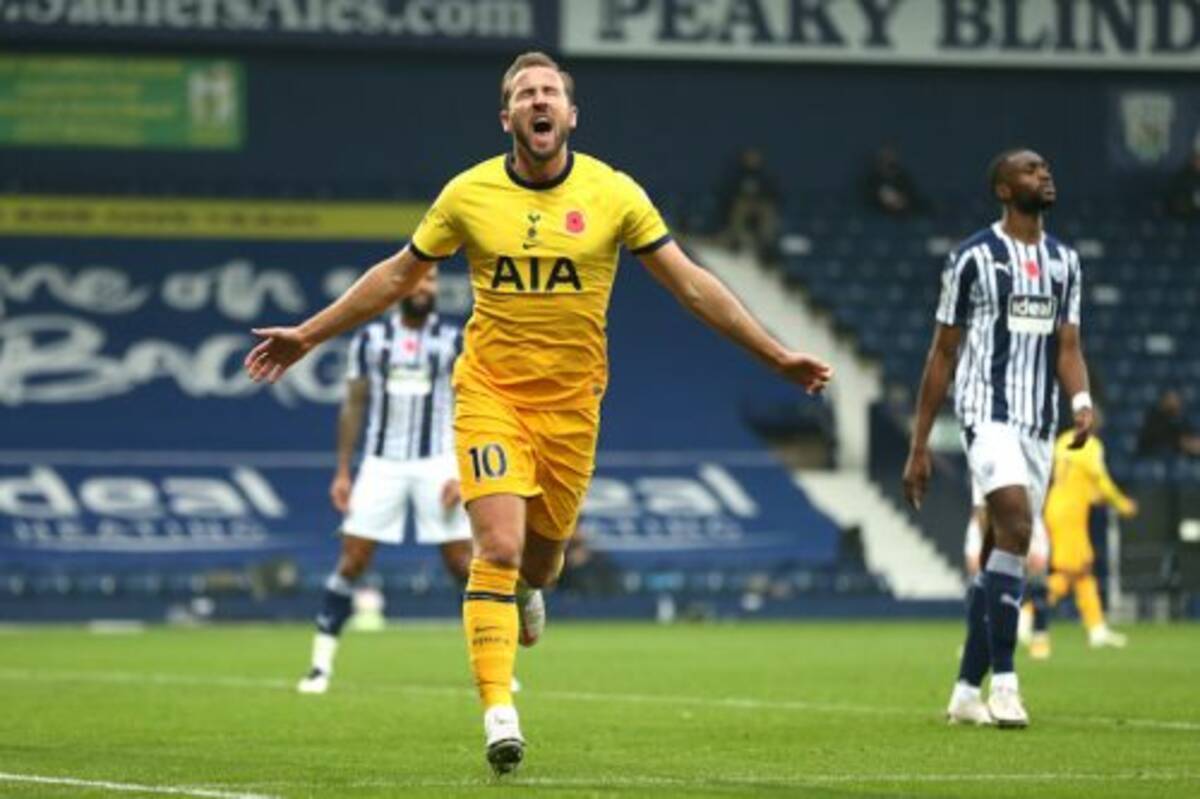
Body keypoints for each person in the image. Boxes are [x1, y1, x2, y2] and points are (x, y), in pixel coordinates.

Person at [244, 51, 833, 775]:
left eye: (551, 91)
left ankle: (528, 588)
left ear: (571, 115)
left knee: (543, 562)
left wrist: (775, 354)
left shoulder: (614, 193)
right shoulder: (468, 194)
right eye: (525, 93)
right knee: (495, 547)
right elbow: (399, 274)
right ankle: (500, 714)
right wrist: (308, 334)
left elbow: (690, 284)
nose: (539, 100)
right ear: (508, 117)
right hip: (489, 394)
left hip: (572, 410)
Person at [904, 148, 1092, 729]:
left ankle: (966, 690)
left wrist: (1081, 402)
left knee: (999, 554)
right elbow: (943, 352)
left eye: (1046, 167)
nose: (1045, 173)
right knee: (1015, 526)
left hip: (1039, 423)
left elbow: (1068, 347)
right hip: (986, 412)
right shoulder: (972, 258)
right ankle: (1006, 685)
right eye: (1031, 169)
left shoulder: (1065, 262)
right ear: (1004, 190)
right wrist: (918, 446)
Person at [297, 266, 473, 695]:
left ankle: (493, 668)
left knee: (464, 566)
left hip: (440, 461)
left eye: (431, 280)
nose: (424, 287)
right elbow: (354, 404)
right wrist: (343, 471)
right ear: (401, 287)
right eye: (417, 279)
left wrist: (464, 469)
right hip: (381, 463)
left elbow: (474, 402)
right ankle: (320, 666)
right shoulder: (371, 340)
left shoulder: (455, 340)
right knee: (353, 561)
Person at [1043, 416, 1138, 653]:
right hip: (1071, 514)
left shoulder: (1063, 440)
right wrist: (1122, 504)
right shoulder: (1092, 445)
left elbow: (1074, 479)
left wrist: (1093, 495)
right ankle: (1026, 615)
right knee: (1069, 571)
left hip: (1054, 507)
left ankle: (1096, 629)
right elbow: (1101, 480)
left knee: (1083, 571)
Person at [716, 147, 783, 264]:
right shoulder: (737, 176)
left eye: (754, 158)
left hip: (760, 205)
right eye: (749, 158)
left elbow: (773, 194)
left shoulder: (764, 177)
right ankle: (738, 240)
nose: (752, 161)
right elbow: (727, 194)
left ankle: (767, 245)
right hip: (741, 205)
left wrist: (759, 199)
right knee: (739, 208)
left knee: (768, 211)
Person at [863, 144, 925, 217]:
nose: (888, 162)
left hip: (905, 215)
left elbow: (911, 198)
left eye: (891, 161)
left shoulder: (903, 178)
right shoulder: (873, 181)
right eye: (884, 159)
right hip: (881, 216)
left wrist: (901, 201)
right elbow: (872, 201)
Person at [1136, 388, 1200, 457]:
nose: (1176, 404)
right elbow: (1157, 439)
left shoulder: (1182, 420)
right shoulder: (1154, 419)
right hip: (1155, 456)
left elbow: (1189, 435)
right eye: (1172, 401)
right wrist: (1181, 442)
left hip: (1179, 455)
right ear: (1163, 402)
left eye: (1177, 401)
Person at [1164, 137, 1200, 219]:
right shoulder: (1183, 178)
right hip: (1187, 218)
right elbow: (1175, 204)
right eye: (1198, 158)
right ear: (1193, 158)